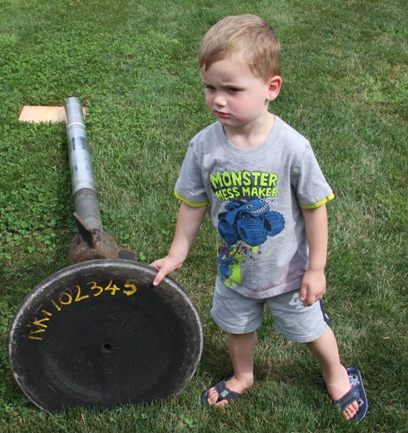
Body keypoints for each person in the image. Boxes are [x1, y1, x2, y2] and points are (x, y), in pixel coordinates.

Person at [151, 14, 367, 422]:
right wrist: (177, 253)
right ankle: (242, 376)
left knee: (310, 330)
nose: (218, 99)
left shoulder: (292, 148)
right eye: (210, 87)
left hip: (289, 272)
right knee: (237, 328)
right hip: (234, 270)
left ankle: (337, 374)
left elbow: (314, 208)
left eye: (232, 90)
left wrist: (316, 268)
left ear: (271, 88)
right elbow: (193, 203)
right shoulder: (203, 147)